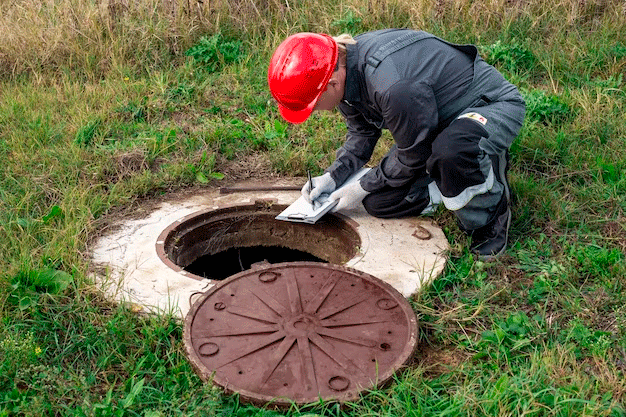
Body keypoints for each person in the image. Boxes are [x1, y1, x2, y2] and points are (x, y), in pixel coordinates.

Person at [267, 29, 525, 259]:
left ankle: (490, 212)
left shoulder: (392, 85)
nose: (314, 112)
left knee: (452, 151)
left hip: (486, 106)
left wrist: (362, 185)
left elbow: (413, 152)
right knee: (378, 203)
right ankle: (451, 176)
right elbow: (362, 134)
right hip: (433, 122)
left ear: (331, 84)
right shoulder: (343, 71)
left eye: (313, 105)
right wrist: (333, 177)